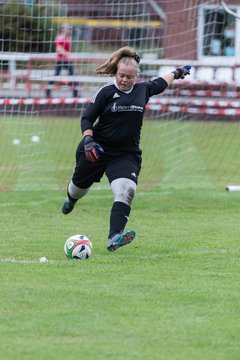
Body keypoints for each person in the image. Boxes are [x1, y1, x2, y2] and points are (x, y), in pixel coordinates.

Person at [61, 46, 191, 252]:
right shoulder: (106, 92)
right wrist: (88, 141)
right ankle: (70, 200)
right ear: (115, 73)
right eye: (121, 75)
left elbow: (162, 81)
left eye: (129, 77)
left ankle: (115, 236)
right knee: (77, 188)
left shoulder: (143, 90)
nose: (124, 80)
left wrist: (177, 72)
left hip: (125, 154)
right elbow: (87, 118)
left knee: (126, 191)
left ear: (136, 77)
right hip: (97, 149)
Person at [45, 25, 79, 98]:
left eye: (70, 29)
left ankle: (75, 93)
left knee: (72, 75)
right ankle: (48, 91)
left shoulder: (68, 38)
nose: (69, 30)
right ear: (64, 30)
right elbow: (58, 49)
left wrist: (69, 56)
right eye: (68, 29)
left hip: (67, 60)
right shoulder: (60, 37)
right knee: (56, 75)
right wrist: (67, 55)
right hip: (60, 60)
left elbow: (68, 50)